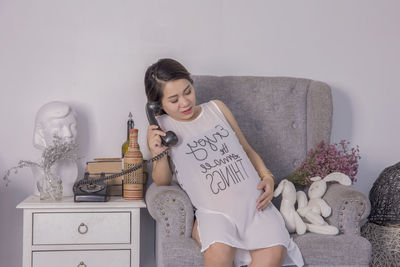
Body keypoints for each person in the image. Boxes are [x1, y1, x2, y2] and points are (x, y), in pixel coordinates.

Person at [145, 58, 304, 267]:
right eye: (174, 100)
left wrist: (267, 176)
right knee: (220, 252)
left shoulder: (216, 108)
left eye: (187, 91)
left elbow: (247, 150)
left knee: (275, 253)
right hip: (216, 215)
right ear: (158, 105)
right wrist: (157, 151)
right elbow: (162, 181)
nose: (184, 103)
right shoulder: (163, 129)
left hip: (255, 208)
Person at [32, 101, 78, 196]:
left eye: (73, 126)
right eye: (59, 128)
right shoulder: (39, 168)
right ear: (41, 133)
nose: (69, 134)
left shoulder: (74, 166)